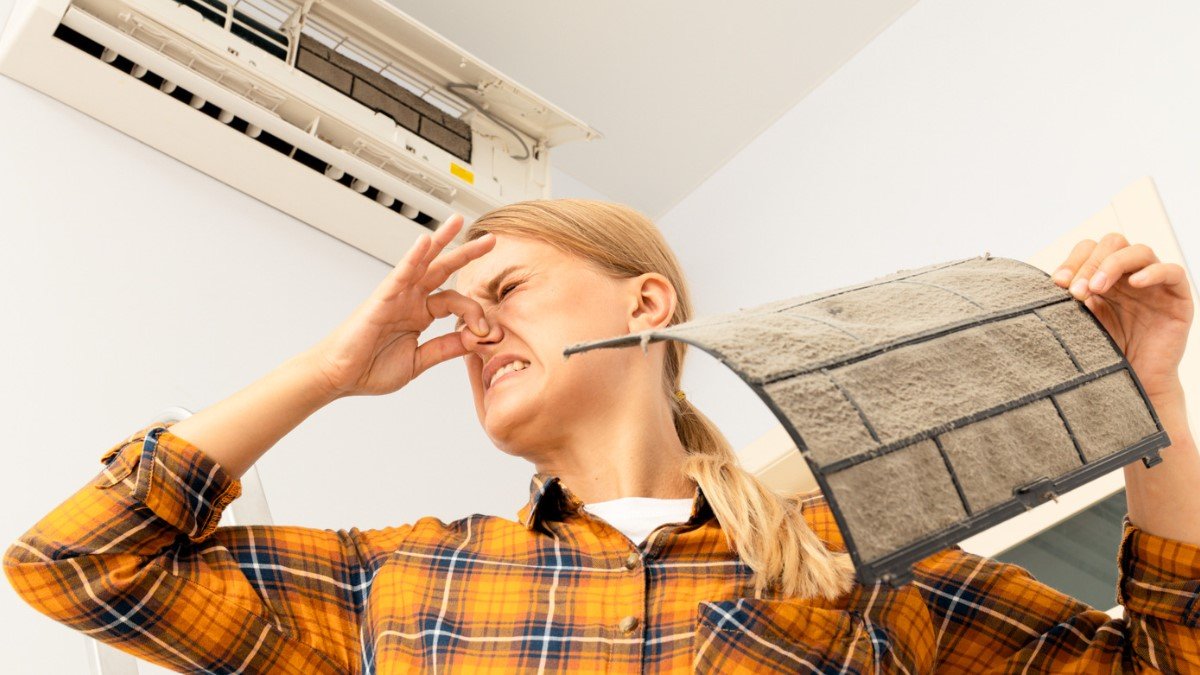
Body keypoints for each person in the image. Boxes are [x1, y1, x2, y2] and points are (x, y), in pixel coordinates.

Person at [5, 199, 1199, 673]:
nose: (470, 334)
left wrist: (1148, 408)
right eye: (455, 323)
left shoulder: (870, 568)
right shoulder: (398, 584)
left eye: (506, 293)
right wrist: (324, 373)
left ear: (646, 305)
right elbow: (74, 565)